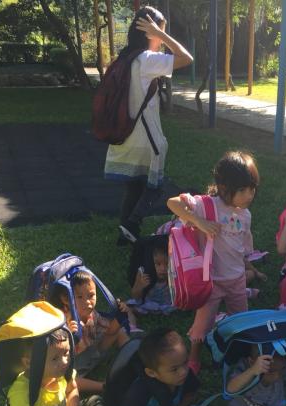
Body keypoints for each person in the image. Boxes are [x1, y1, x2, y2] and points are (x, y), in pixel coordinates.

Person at [104, 6, 193, 244]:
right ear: (149, 32)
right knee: (156, 187)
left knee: (133, 187)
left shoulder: (125, 58)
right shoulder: (146, 60)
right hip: (146, 139)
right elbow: (186, 58)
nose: (161, 40)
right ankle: (132, 224)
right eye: (159, 33)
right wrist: (161, 34)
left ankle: (125, 236)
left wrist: (158, 33)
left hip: (125, 135)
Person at [167, 150, 260, 374]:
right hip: (211, 282)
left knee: (241, 320)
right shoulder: (207, 206)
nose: (249, 196)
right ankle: (194, 356)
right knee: (202, 324)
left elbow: (242, 249)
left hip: (236, 280)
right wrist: (198, 221)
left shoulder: (245, 215)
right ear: (224, 188)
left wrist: (250, 268)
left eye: (252, 189)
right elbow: (172, 202)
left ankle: (241, 353)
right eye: (243, 190)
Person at [55, 271, 131, 394]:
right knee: (68, 381)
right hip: (78, 364)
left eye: (91, 295)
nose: (87, 302)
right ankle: (103, 387)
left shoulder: (92, 313)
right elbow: (57, 350)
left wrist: (120, 315)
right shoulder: (64, 320)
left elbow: (110, 330)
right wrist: (69, 334)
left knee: (119, 331)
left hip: (95, 351)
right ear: (66, 299)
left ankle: (130, 354)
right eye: (80, 297)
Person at [127, 237, 175, 315]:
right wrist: (140, 286)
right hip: (149, 303)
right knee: (131, 307)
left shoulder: (174, 272)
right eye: (158, 264)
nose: (163, 268)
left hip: (168, 304)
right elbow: (135, 295)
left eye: (167, 264)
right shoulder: (144, 272)